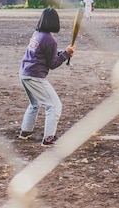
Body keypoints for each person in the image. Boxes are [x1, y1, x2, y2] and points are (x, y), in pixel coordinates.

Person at [18, 8, 75, 147]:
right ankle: (49, 138)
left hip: (24, 73)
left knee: (35, 103)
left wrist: (64, 53)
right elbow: (53, 63)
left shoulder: (37, 34)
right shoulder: (49, 40)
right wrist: (65, 55)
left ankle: (25, 132)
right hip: (35, 76)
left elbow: (47, 54)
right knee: (54, 106)